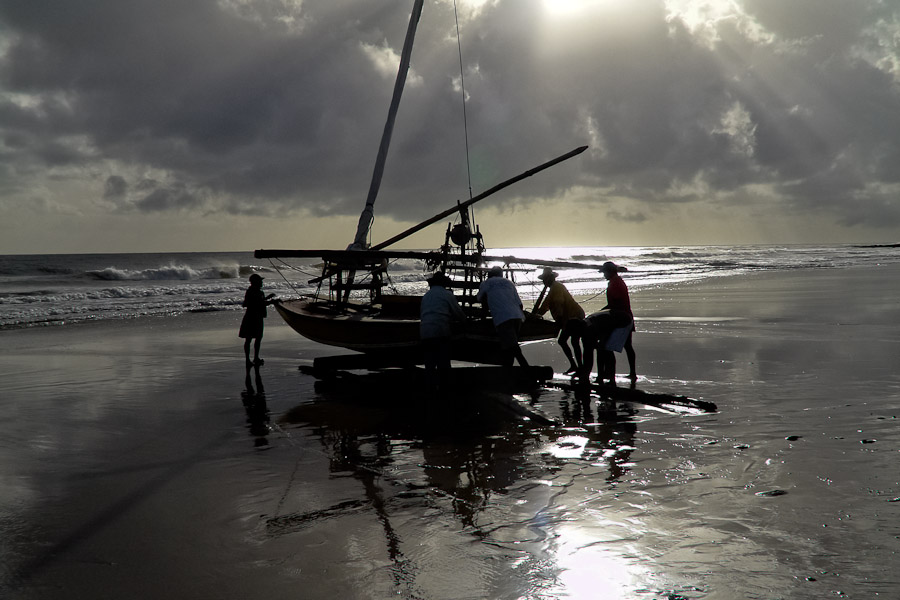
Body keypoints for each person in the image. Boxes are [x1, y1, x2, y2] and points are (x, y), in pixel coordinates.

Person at [579, 261, 636, 383]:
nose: (603, 275)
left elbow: (614, 303)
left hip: (619, 319)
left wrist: (601, 312)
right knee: (627, 346)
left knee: (605, 348)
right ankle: (630, 373)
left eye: (604, 272)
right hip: (624, 316)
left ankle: (608, 377)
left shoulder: (615, 283)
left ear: (609, 272)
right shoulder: (616, 281)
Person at [533, 267, 586, 374]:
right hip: (570, 317)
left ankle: (578, 367)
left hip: (573, 316)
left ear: (550, 278)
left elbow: (559, 304)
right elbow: (545, 306)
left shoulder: (556, 288)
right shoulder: (552, 289)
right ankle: (576, 366)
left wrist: (560, 321)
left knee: (571, 341)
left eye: (544, 279)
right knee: (569, 341)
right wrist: (536, 315)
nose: (543, 281)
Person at [419, 271, 466, 388]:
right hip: (440, 331)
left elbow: (422, 315)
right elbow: (458, 314)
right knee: (443, 363)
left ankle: (429, 389)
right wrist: (464, 321)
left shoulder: (426, 296)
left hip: (425, 332)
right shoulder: (447, 294)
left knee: (429, 364)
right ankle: (445, 390)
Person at [476, 266, 529, 367]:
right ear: (501, 275)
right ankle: (507, 372)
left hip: (502, 318)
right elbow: (520, 304)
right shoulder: (509, 282)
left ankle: (528, 371)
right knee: (508, 348)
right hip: (517, 316)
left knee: (513, 348)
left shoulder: (486, 283)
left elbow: (479, 298)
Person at [239, 274, 277, 367]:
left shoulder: (257, 292)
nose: (262, 283)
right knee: (250, 339)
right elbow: (255, 303)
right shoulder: (252, 292)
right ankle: (248, 360)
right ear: (255, 282)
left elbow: (260, 301)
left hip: (255, 317)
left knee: (257, 338)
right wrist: (270, 301)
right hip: (252, 318)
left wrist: (267, 298)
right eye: (260, 281)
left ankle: (255, 358)